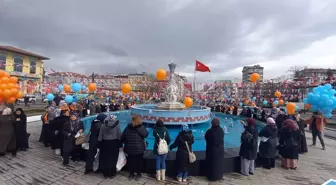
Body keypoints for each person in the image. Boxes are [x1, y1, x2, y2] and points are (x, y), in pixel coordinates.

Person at [121, 115, 148, 181]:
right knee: (139, 162)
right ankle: (138, 174)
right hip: (139, 149)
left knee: (131, 162)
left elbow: (123, 137)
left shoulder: (128, 127)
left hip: (130, 148)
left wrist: (126, 143)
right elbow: (146, 134)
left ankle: (131, 174)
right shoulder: (141, 127)